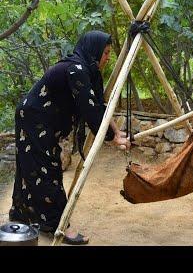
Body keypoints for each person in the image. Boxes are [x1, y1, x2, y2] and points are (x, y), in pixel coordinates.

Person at [9, 31, 130, 244]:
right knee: (46, 170)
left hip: (42, 121)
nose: (107, 58)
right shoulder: (76, 69)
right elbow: (89, 109)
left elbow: (100, 104)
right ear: (93, 51)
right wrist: (112, 138)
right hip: (34, 120)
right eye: (106, 53)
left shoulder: (89, 70)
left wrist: (116, 132)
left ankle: (24, 216)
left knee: (34, 167)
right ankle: (58, 225)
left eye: (110, 53)